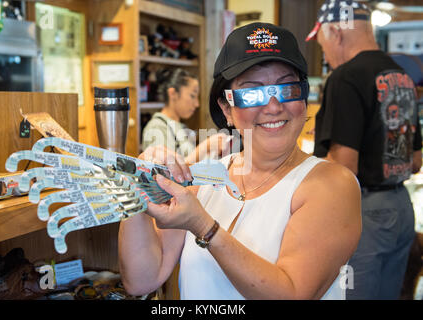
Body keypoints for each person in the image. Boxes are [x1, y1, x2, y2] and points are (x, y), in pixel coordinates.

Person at [118, 22, 361, 300]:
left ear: (303, 97)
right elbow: (141, 280)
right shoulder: (204, 178)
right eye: (252, 93)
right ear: (227, 109)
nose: (272, 106)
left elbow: (293, 294)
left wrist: (204, 228)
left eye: (287, 89)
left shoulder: (331, 185)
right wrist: (138, 182)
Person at [306, 0, 422, 300]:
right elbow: (416, 161)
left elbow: (344, 168)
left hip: (364, 212)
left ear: (336, 33)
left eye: (323, 43)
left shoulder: (345, 78)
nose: (327, 55)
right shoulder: (402, 76)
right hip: (400, 208)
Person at [142, 68, 231, 164]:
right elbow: (164, 171)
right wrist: (204, 148)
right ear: (173, 94)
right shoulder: (157, 127)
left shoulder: (181, 127)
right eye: (192, 96)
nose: (197, 104)